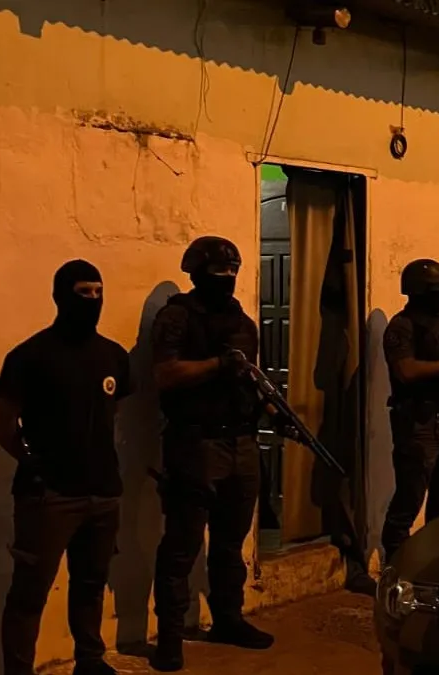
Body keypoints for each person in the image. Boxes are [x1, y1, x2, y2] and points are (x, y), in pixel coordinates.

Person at [0, 260, 133, 675]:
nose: (93, 300)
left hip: (103, 493)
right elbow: (3, 424)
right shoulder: (29, 356)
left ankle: (90, 659)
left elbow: (113, 415)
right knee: (29, 593)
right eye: (83, 292)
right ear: (60, 296)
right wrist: (34, 463)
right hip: (49, 495)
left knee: (91, 584)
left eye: (98, 292)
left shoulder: (113, 355)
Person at [149, 236, 271, 672]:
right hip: (196, 443)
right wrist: (217, 365)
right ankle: (169, 636)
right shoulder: (176, 317)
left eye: (232, 271)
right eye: (219, 271)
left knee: (230, 544)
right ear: (197, 272)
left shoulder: (242, 322)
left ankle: (228, 619)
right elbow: (165, 374)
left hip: (241, 441)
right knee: (181, 546)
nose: (227, 279)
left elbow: (250, 375)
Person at [380, 259, 439, 563]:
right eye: (436, 288)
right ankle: (396, 568)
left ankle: (433, 563)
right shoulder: (402, 326)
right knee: (408, 501)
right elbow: (406, 370)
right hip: (418, 423)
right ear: (419, 291)